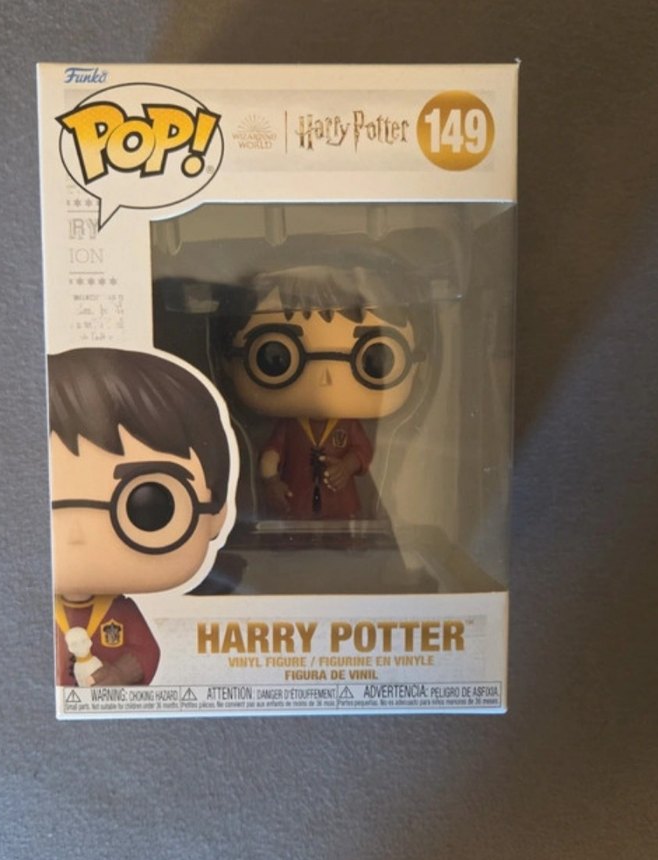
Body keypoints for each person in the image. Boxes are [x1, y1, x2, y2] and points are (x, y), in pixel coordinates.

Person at [48, 348, 233, 686]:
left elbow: (146, 651)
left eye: (149, 507)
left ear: (217, 512)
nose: (75, 533)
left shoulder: (121, 612)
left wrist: (120, 673)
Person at [223, 265, 425, 519]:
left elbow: (362, 452)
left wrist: (346, 466)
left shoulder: (348, 425)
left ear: (417, 364)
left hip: (340, 503)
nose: (325, 378)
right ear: (228, 364)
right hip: (296, 501)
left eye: (374, 359)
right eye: (276, 358)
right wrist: (271, 481)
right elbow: (271, 454)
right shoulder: (289, 427)